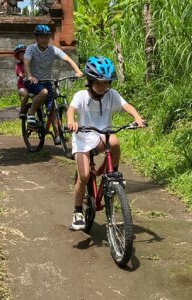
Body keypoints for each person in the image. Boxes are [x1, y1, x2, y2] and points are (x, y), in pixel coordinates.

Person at [66, 56, 145, 230]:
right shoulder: (81, 95)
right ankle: (77, 212)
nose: (103, 87)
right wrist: (71, 121)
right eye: (99, 83)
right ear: (90, 80)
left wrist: (137, 117)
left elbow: (127, 105)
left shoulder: (112, 95)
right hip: (82, 137)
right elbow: (71, 109)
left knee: (114, 141)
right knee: (84, 176)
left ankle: (113, 174)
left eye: (106, 83)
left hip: (102, 134)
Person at [24, 24, 83, 144]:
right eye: (41, 37)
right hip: (32, 81)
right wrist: (30, 76)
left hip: (47, 82)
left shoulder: (53, 50)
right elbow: (26, 62)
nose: (44, 39)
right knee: (43, 92)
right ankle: (31, 113)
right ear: (37, 38)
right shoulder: (31, 49)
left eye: (46, 37)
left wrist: (77, 70)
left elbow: (68, 59)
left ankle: (57, 135)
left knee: (53, 109)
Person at [14, 44, 28, 118]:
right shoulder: (18, 65)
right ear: (18, 57)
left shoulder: (31, 63)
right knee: (26, 95)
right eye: (20, 55)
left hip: (32, 85)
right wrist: (22, 74)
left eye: (24, 54)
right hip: (22, 86)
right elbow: (20, 74)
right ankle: (22, 111)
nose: (22, 56)